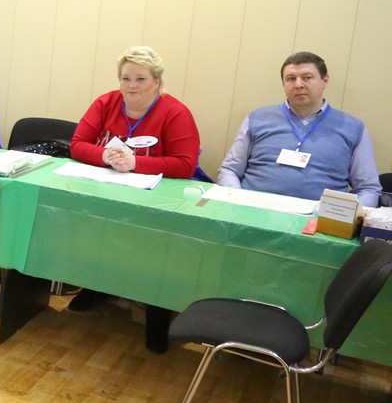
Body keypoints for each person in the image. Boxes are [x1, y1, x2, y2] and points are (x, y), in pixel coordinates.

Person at [67, 46, 201, 353]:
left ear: (156, 82)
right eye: (126, 78)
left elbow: (185, 164)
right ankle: (97, 285)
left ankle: (157, 312)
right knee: (96, 232)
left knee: (157, 250)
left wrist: (135, 163)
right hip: (109, 188)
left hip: (158, 198)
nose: (132, 86)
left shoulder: (175, 112)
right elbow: (77, 144)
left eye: (141, 79)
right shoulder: (106, 103)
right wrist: (105, 155)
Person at [217, 51, 381, 208]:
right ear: (283, 84)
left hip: (318, 222)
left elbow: (368, 189)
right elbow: (230, 170)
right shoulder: (257, 118)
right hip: (253, 214)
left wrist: (344, 218)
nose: (298, 84)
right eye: (291, 79)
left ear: (324, 81)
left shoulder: (353, 128)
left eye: (307, 77)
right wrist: (237, 203)